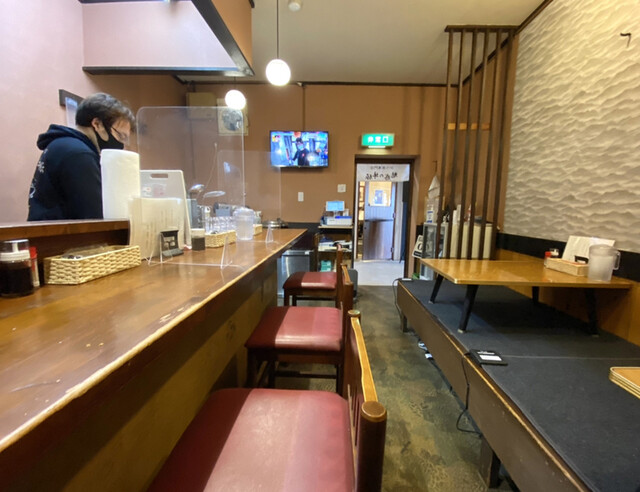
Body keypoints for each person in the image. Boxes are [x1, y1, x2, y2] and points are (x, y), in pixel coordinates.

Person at [27, 93, 136, 221]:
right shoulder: (79, 155)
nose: (122, 144)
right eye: (120, 136)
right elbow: (95, 216)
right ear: (97, 124)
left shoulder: (61, 144)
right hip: (62, 232)